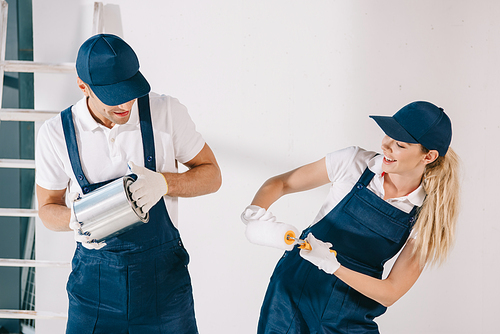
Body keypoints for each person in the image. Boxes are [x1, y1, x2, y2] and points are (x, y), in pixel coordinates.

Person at [35, 34, 221, 334]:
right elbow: (46, 208)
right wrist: (75, 219)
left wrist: (163, 183)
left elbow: (212, 175)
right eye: (113, 95)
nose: (125, 103)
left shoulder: (166, 112)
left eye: (130, 90)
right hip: (94, 293)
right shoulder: (55, 134)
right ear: (83, 86)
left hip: (165, 291)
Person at [241, 101, 460, 333]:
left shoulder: (428, 213)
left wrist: (333, 266)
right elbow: (281, 183)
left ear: (428, 156)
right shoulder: (353, 163)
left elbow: (391, 292)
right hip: (293, 292)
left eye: (399, 144)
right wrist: (255, 211)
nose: (386, 146)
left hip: (348, 312)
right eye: (387, 135)